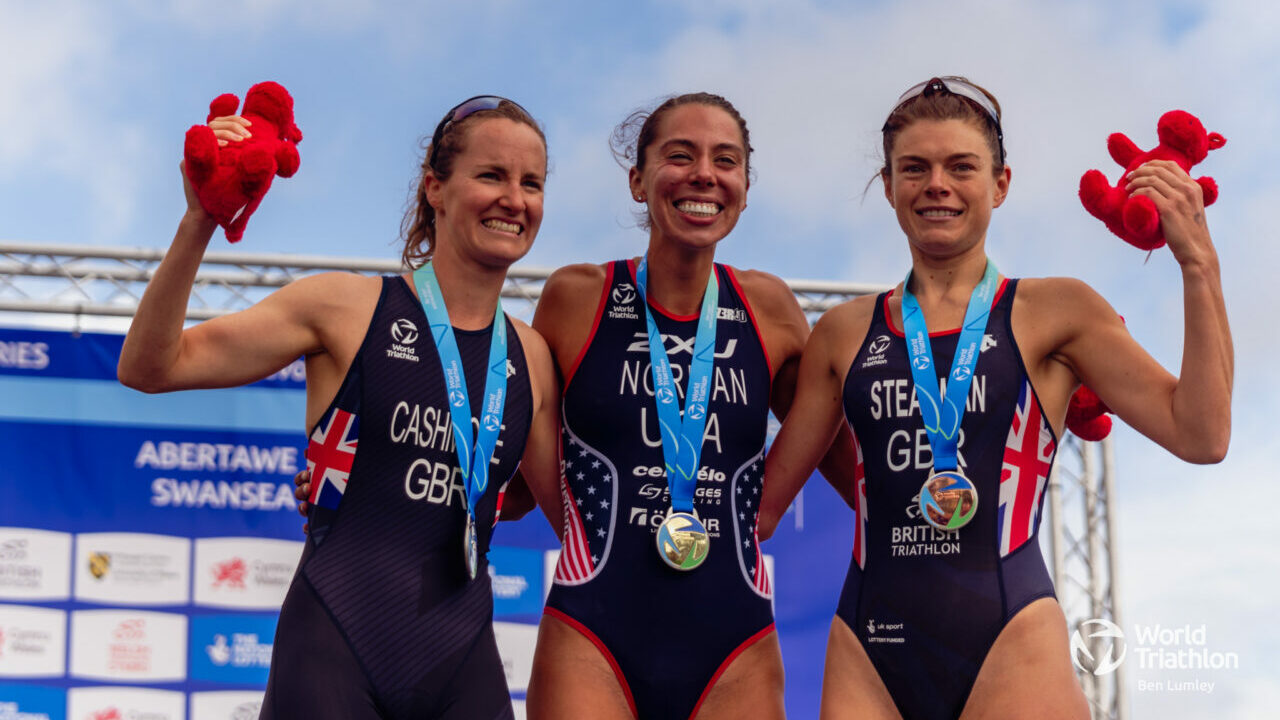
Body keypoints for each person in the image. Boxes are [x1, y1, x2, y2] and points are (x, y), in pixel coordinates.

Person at [758, 76, 1232, 720]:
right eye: (915, 169)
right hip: (868, 649)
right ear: (890, 183)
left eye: (962, 167)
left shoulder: (1057, 310)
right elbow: (759, 509)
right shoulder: (843, 333)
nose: (937, 185)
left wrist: (1198, 262)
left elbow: (1201, 435)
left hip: (1012, 644)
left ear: (1000, 183)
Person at [118, 95, 563, 719]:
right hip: (334, 645)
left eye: (531, 182)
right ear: (435, 188)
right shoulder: (342, 308)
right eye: (491, 175)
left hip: (462, 659)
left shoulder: (532, 356)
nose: (514, 199)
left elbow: (555, 506)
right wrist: (199, 220)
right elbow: (149, 367)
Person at [524, 92, 851, 720]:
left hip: (734, 643)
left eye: (725, 160)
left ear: (745, 188)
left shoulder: (769, 307)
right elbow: (505, 467)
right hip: (590, 635)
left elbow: (847, 461)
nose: (704, 174)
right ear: (638, 179)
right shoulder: (575, 297)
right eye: (680, 155)